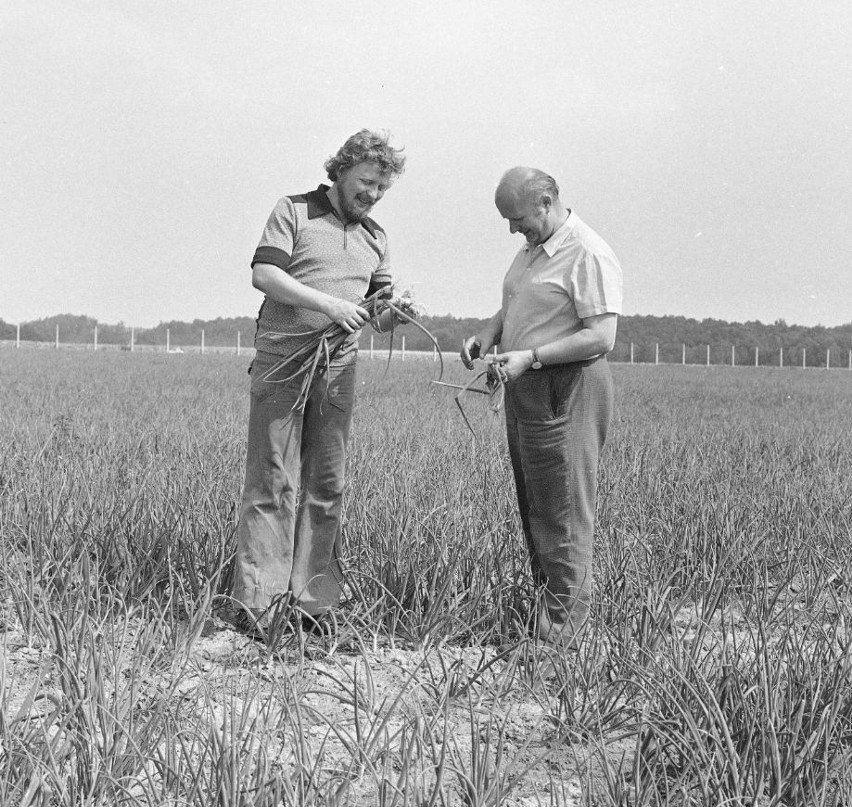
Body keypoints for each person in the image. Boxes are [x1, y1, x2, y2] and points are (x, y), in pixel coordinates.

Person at [232, 129, 406, 639]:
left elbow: (378, 312)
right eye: (366, 181)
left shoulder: (376, 237)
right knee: (272, 482)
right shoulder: (293, 210)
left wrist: (395, 313)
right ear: (342, 170)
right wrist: (328, 304)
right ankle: (260, 605)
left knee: (326, 486)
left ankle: (313, 606)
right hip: (284, 364)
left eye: (381, 187)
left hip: (337, 370)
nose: (372, 193)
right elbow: (265, 275)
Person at [461, 166, 622, 651]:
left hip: (566, 388)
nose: (513, 229)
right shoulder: (534, 249)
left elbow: (601, 335)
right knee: (536, 507)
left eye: (518, 218)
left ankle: (562, 642)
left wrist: (529, 356)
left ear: (547, 202)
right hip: (527, 387)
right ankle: (547, 623)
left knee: (564, 512)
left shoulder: (587, 252)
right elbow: (521, 306)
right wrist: (491, 332)